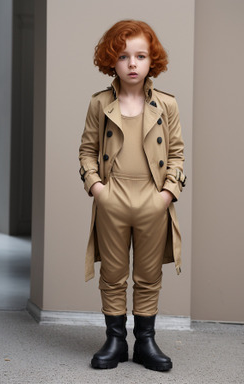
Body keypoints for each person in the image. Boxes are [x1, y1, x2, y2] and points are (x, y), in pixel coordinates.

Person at [79, 19, 186, 371]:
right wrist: (98, 189)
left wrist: (167, 195)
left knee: (148, 273)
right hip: (113, 200)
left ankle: (145, 342)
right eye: (123, 56)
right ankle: (114, 340)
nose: (132, 63)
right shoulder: (99, 104)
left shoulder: (166, 105)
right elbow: (86, 151)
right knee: (112, 273)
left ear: (151, 60)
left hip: (153, 201)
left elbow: (176, 156)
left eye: (140, 55)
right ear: (111, 60)